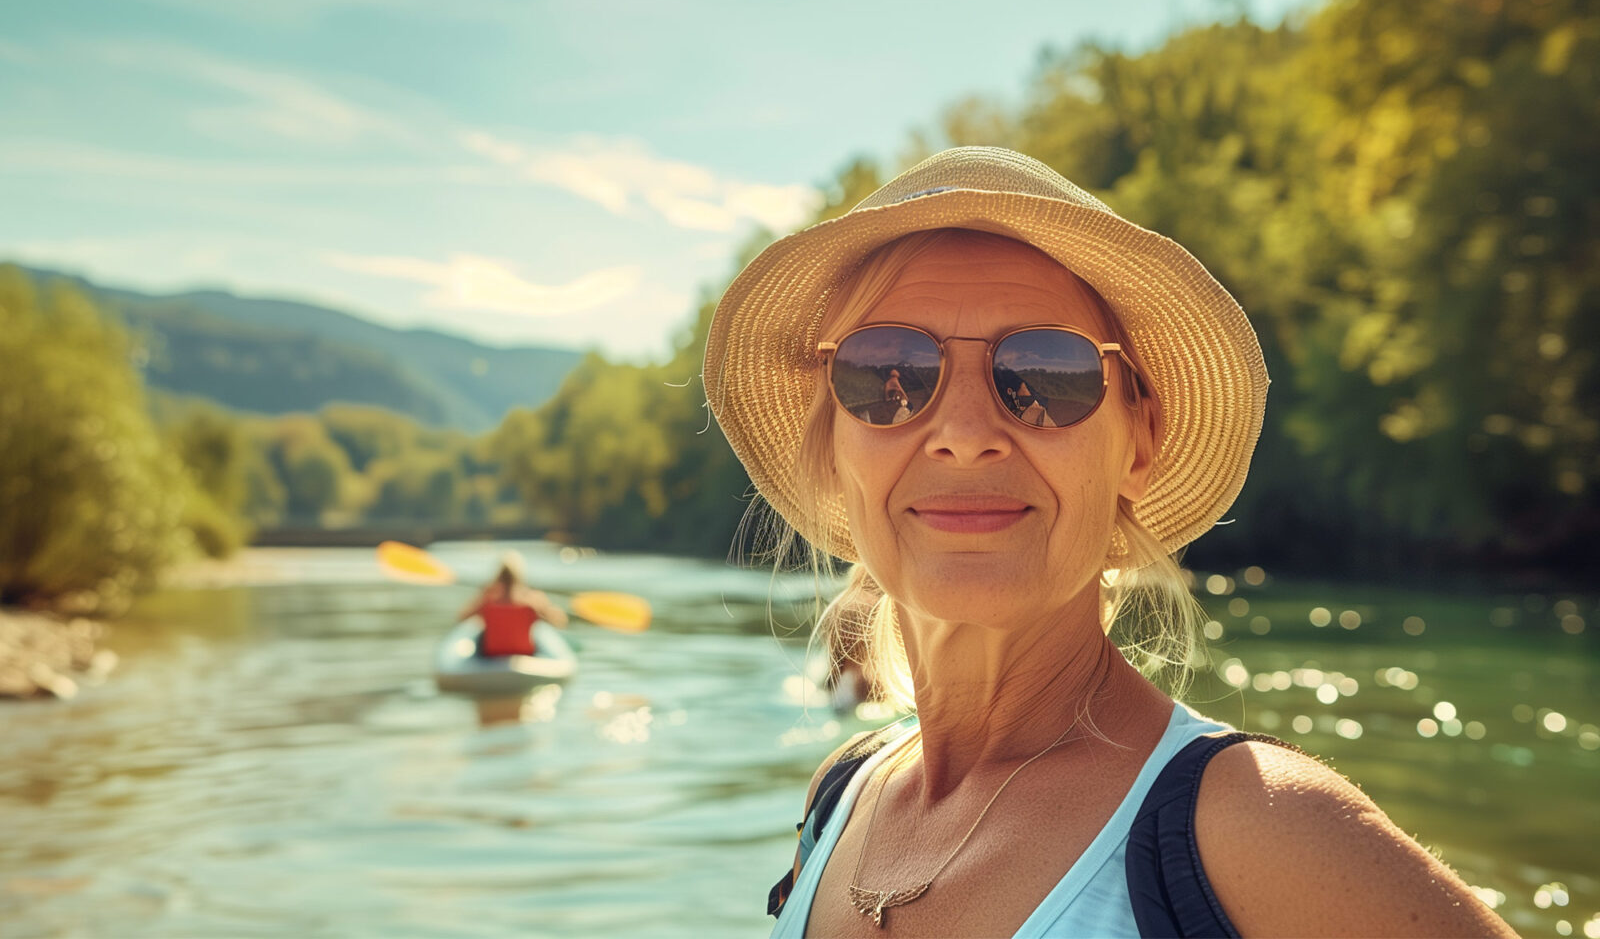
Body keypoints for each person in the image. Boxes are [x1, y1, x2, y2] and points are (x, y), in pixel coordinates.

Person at [702, 148, 1516, 937]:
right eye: (890, 370)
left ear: (1139, 442)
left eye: (1046, 373)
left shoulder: (1256, 834)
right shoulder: (840, 795)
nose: (963, 434)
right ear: (834, 439)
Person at [456, 552, 568, 657]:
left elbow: (462, 617)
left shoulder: (488, 599)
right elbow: (559, 622)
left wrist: (480, 597)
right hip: (524, 652)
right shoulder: (532, 600)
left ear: (498, 575)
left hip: (491, 653)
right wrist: (542, 611)